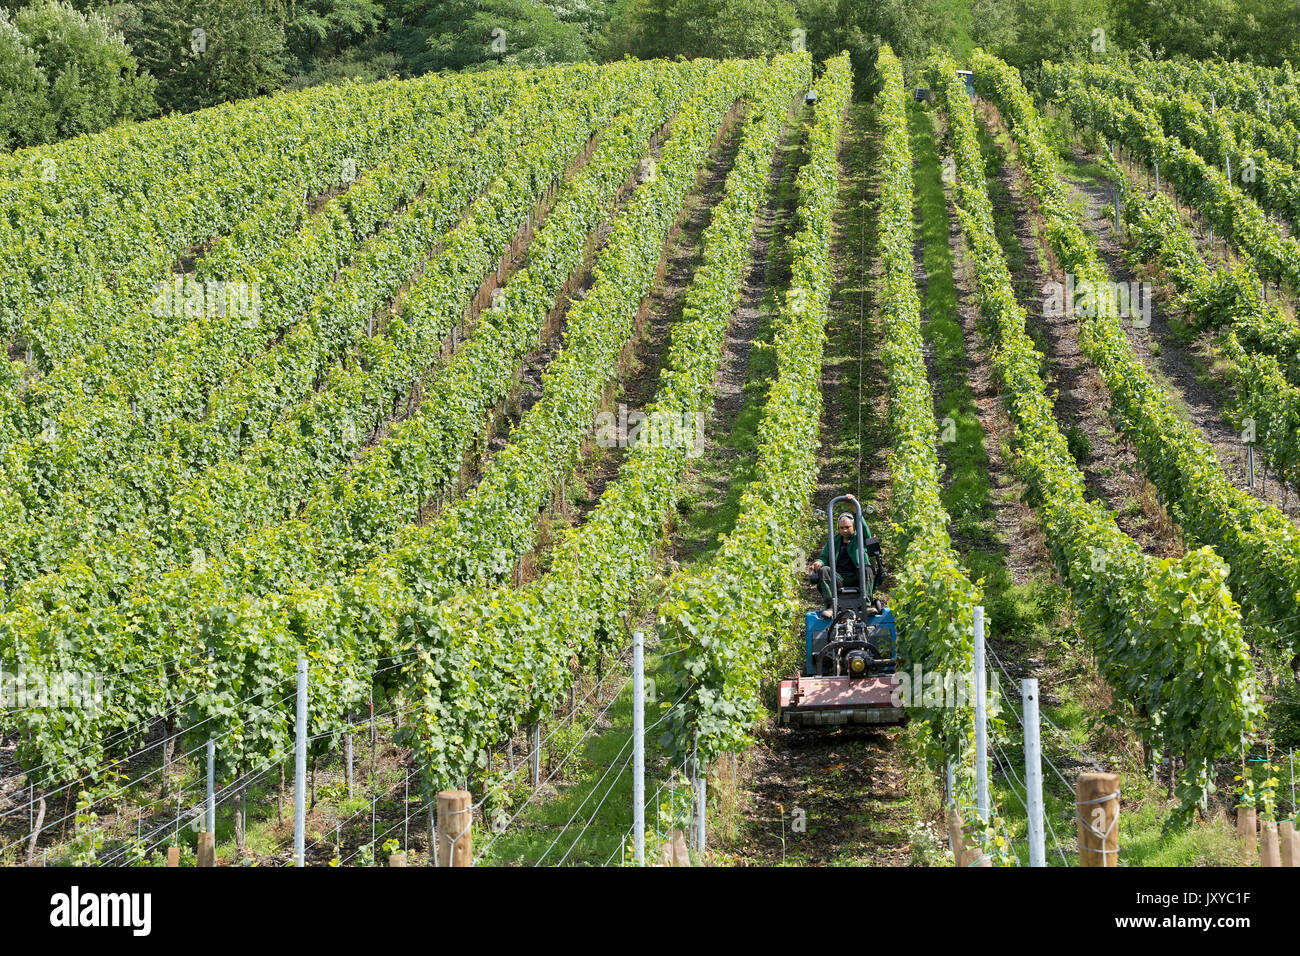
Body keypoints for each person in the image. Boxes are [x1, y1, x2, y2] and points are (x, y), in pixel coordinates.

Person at [808, 495, 869, 605]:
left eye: (848, 527)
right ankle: (831, 605)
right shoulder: (833, 541)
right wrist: (819, 562)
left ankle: (866, 604)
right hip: (839, 578)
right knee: (825, 570)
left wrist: (854, 507)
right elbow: (824, 557)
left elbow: (864, 530)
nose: (845, 530)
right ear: (838, 528)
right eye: (842, 528)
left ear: (854, 527)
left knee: (867, 569)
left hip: (857, 576)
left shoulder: (859, 537)